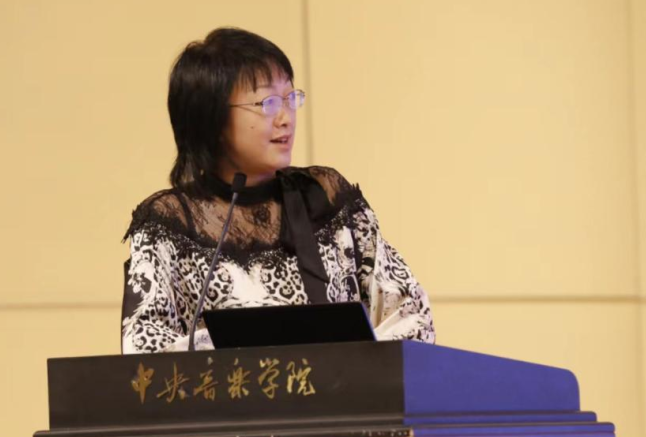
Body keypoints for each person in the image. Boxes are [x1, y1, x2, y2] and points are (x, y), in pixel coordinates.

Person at [121, 28, 434, 353]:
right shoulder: (170, 224)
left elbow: (411, 314)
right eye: (268, 103)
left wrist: (359, 366)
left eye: (290, 98)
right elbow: (143, 349)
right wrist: (243, 347)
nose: (286, 118)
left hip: (341, 387)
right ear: (212, 118)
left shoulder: (325, 198)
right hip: (230, 389)